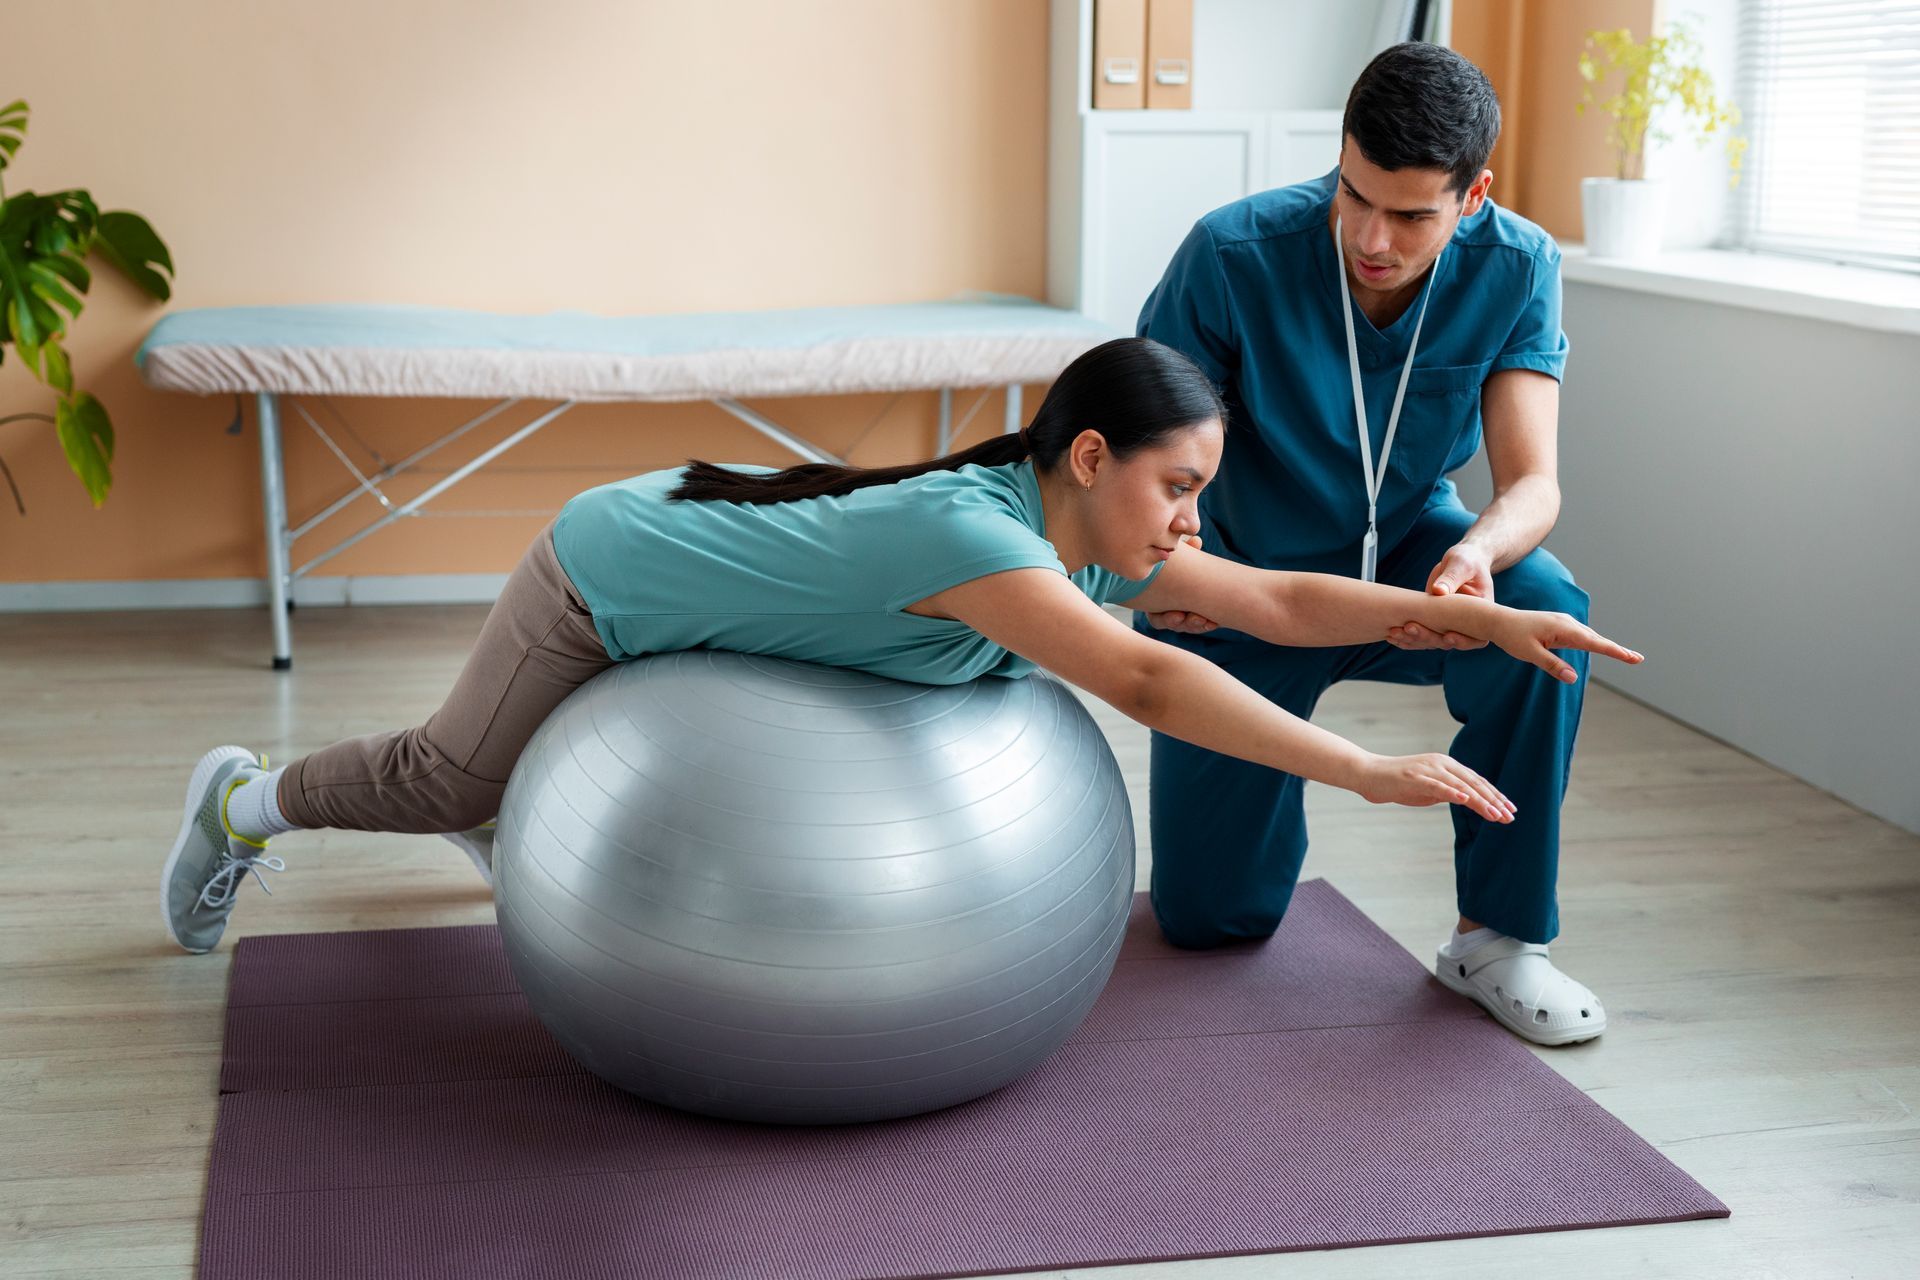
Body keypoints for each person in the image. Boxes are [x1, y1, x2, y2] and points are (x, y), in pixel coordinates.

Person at [162, 338, 1639, 975]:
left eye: (1198, 493)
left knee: (505, 796)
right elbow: (1147, 681)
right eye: (1177, 487)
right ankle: (244, 802)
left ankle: (524, 826)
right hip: (606, 573)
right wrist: (1363, 765)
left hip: (703, 562)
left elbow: (1274, 605)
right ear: (1087, 455)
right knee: (443, 778)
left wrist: (1487, 616)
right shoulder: (984, 544)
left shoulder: (1066, 522)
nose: (1192, 520)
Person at [1133, 41, 1610, 1045]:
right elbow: (1146, 465)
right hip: (1245, 587)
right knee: (1211, 922)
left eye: (1411, 214)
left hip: (1412, 564)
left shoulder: (1518, 262)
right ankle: (1246, 849)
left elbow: (1532, 481)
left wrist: (1480, 552)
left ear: (1472, 195)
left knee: (1544, 609)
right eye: (1355, 195)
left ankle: (1499, 938)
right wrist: (1160, 572)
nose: (1372, 237)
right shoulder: (1233, 255)